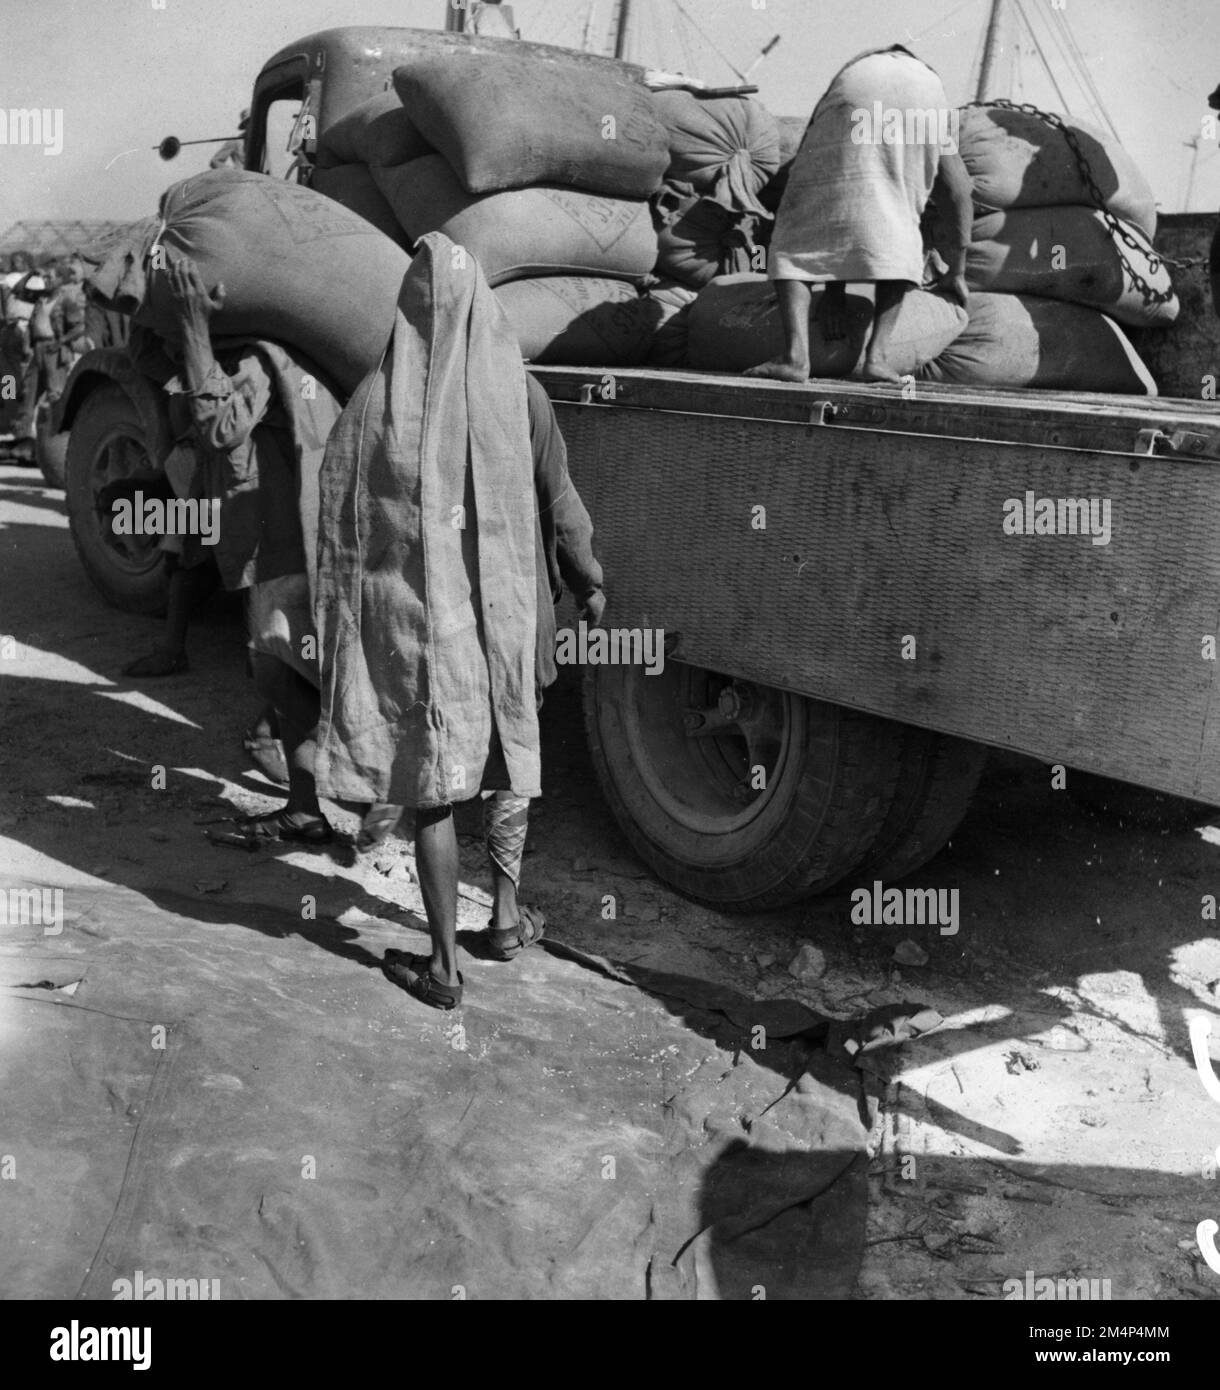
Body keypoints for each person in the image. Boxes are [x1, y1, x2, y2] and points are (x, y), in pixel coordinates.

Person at [313, 234, 605, 1011]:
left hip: (429, 637)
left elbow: (344, 512)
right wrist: (589, 581)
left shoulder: (377, 401)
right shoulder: (522, 392)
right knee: (512, 759)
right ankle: (505, 919)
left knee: (434, 792)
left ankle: (445, 966)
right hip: (514, 624)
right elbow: (562, 505)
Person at [746, 43, 973, 383]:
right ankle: (877, 358)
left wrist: (834, 293)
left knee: (801, 224)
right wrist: (958, 270)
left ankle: (795, 358)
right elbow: (959, 191)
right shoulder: (926, 78)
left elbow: (843, 195)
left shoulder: (857, 69)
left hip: (850, 93)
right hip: (924, 97)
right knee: (897, 220)